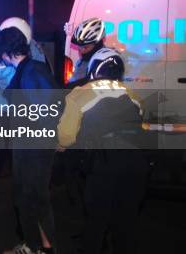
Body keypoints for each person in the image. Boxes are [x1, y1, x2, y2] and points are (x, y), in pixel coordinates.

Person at [57, 48, 149, 254]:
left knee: (96, 225)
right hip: (137, 164)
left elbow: (66, 136)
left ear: (93, 70)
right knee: (126, 226)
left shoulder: (80, 93)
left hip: (105, 165)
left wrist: (62, 145)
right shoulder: (132, 94)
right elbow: (139, 123)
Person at [0, 17, 47, 240]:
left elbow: (39, 81)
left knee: (23, 177)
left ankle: (24, 225)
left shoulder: (34, 49)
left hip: (25, 118)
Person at [0, 27, 58, 254]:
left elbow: (48, 110)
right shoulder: (25, 69)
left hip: (35, 147)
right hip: (27, 145)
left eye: (0, 52)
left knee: (35, 197)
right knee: (25, 196)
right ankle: (35, 245)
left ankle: (43, 248)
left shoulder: (32, 71)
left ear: (6, 51)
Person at [69, 17, 106, 87]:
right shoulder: (82, 61)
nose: (81, 51)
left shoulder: (106, 62)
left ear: (98, 44)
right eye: (79, 47)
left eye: (86, 47)